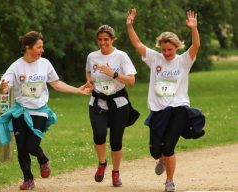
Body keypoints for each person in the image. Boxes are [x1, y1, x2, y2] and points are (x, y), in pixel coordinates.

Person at [0, 31, 91, 190]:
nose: (42, 50)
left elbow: (56, 84)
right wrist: (2, 88)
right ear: (27, 47)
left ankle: (43, 160)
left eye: (42, 47)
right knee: (22, 148)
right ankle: (28, 179)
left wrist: (77, 90)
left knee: (32, 146)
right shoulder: (16, 66)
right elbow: (4, 86)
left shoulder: (45, 64)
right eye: (38, 47)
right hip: (21, 112)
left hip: (40, 111)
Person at [126, 8, 205, 192]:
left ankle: (169, 181)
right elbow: (137, 43)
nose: (167, 53)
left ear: (176, 47)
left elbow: (196, 46)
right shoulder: (155, 59)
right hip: (158, 110)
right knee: (155, 151)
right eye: (163, 49)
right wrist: (129, 25)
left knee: (169, 147)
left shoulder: (183, 61)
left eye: (170, 50)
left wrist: (193, 28)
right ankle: (160, 158)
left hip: (179, 108)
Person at [85, 24, 139, 187]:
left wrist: (113, 74)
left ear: (113, 39)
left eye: (106, 39)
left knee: (116, 141)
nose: (102, 43)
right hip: (98, 101)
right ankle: (102, 163)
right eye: (100, 40)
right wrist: (89, 82)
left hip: (118, 102)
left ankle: (116, 173)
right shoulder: (92, 56)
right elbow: (88, 71)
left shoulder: (121, 56)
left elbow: (131, 81)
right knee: (99, 134)